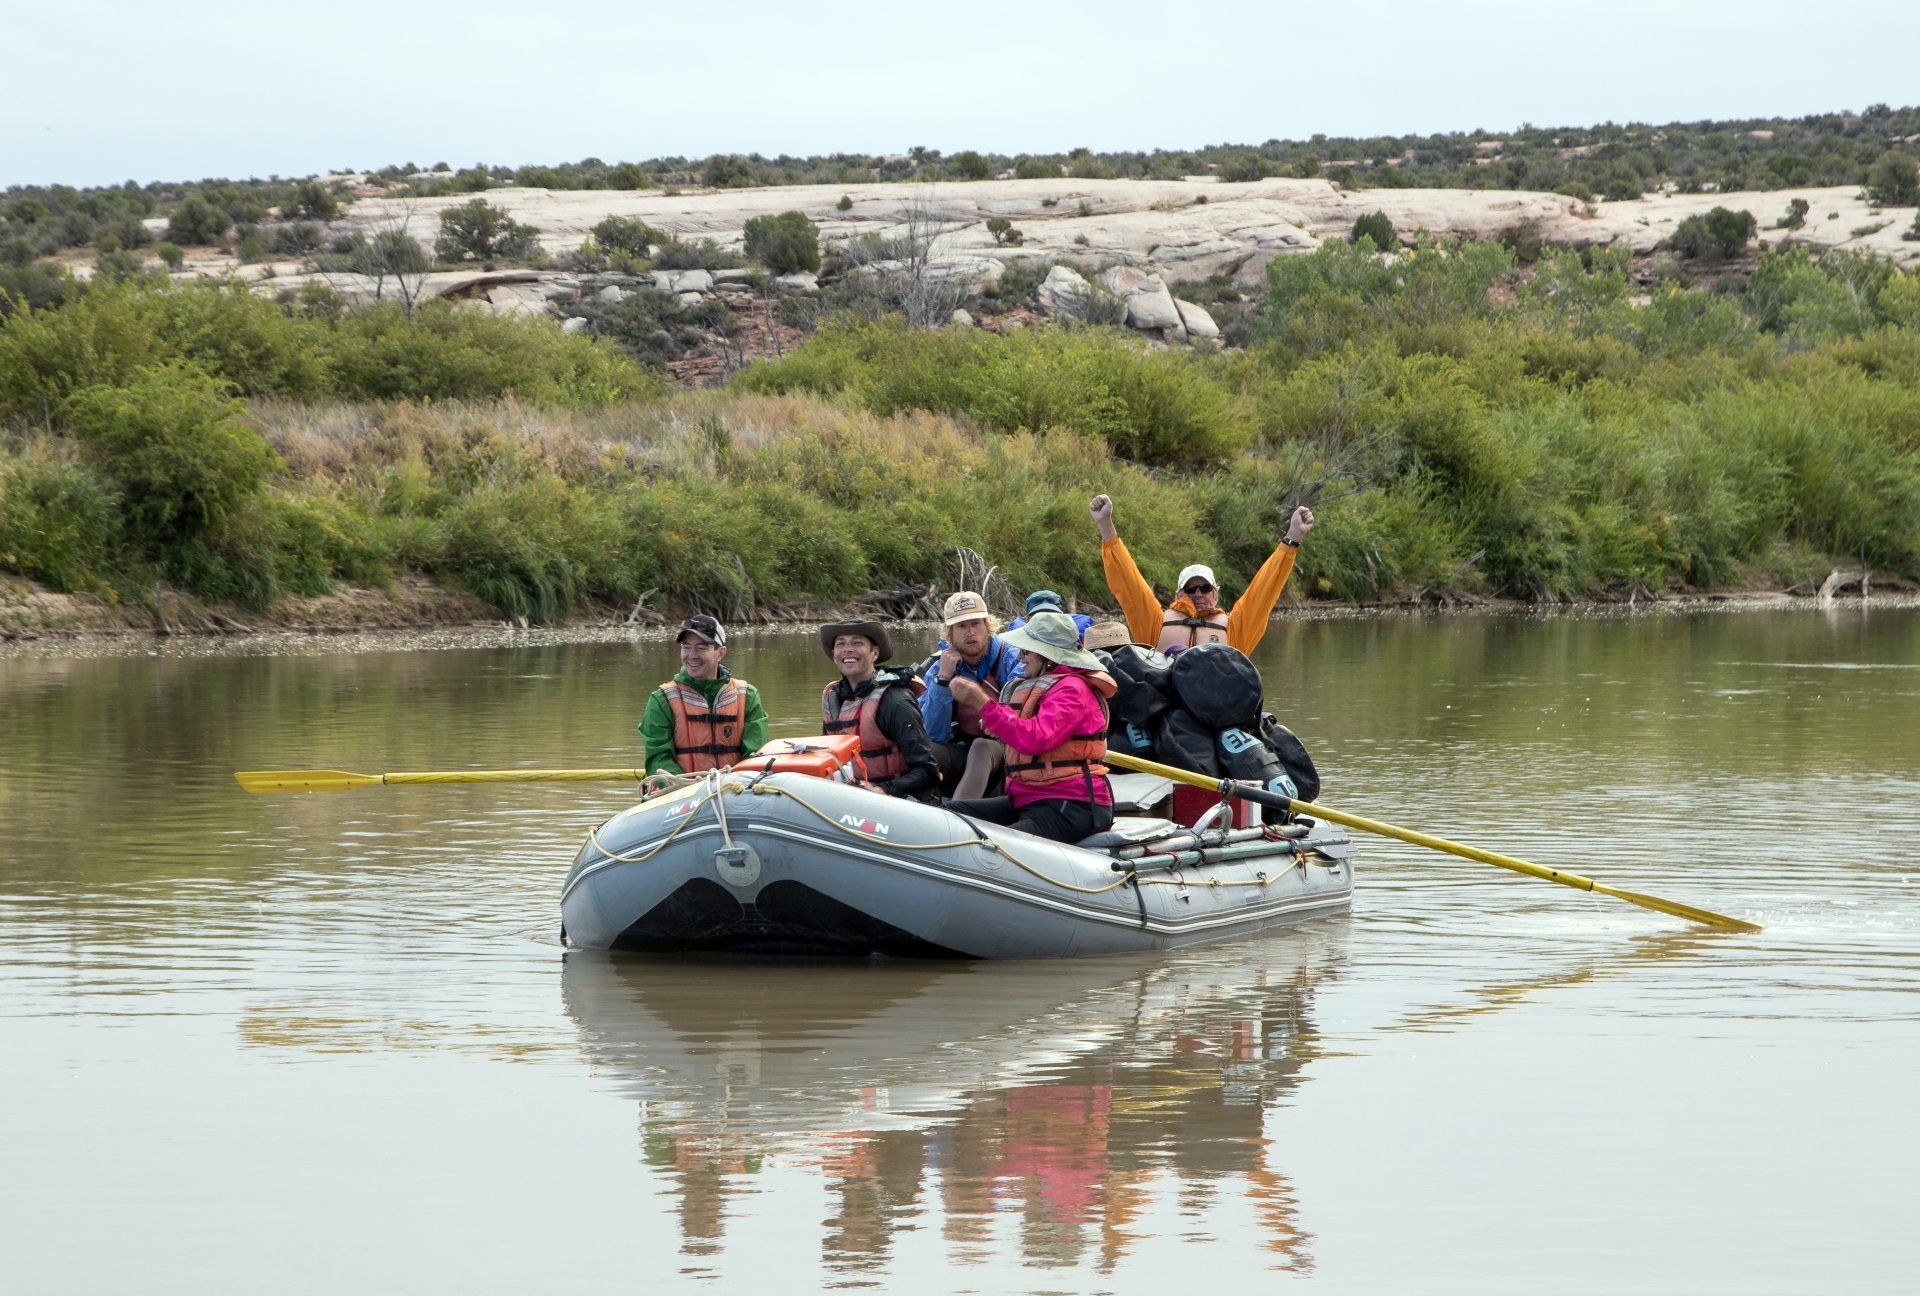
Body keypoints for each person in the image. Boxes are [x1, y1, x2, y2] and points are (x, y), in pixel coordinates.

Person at [944, 611, 1118, 844]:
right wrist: (998, 724)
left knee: (999, 846)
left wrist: (981, 703)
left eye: (1026, 651)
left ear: (1047, 656)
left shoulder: (1072, 690)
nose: (1020, 656)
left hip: (1074, 806)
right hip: (1032, 798)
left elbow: (1035, 738)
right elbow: (1028, 729)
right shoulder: (1048, 685)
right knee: (950, 814)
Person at [1089, 493, 1315, 654]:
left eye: (1205, 588)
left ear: (1215, 595)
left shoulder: (1235, 630)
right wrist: (1105, 526)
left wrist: (1292, 538)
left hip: (1213, 714)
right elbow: (1129, 585)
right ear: (1178, 595)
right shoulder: (1155, 624)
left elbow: (1263, 592)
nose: (1198, 593)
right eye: (1191, 588)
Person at [919, 592, 1025, 800]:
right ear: (950, 634)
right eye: (961, 626)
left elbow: (1021, 720)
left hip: (1008, 753)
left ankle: (959, 816)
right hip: (965, 752)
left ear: (987, 626)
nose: (970, 632)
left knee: (982, 746)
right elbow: (932, 734)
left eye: (975, 623)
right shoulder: (940, 668)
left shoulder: (1012, 659)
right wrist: (942, 681)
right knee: (925, 749)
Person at [821, 619, 941, 802]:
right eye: (840, 644)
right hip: (852, 794)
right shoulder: (832, 697)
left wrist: (882, 790)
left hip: (900, 800)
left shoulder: (895, 700)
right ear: (834, 654)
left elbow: (928, 772)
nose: (847, 649)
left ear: (874, 653)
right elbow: (826, 758)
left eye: (857, 643)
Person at [639, 615, 768, 776]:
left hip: (735, 790)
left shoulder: (747, 695)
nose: (692, 655)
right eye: (686, 647)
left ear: (720, 653)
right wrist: (691, 790)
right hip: (682, 792)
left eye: (701, 648)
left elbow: (755, 755)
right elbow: (658, 759)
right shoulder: (662, 699)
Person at [1005, 589, 1093, 644]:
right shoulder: (1019, 652)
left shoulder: (1078, 639)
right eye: (1039, 617)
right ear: (1026, 620)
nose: (1046, 622)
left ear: (1063, 618)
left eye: (1052, 616)